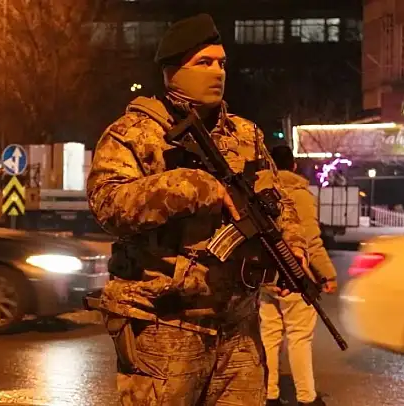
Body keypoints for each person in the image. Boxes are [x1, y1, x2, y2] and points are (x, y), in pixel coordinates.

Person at [86, 13, 307, 405]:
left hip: (238, 327)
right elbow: (108, 204)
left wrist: (293, 246)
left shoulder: (246, 134)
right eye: (203, 62)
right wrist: (194, 187)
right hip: (164, 324)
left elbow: (277, 200)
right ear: (172, 71)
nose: (217, 72)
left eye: (222, 63)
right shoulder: (134, 133)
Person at [259, 145, 338, 406]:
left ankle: (269, 394)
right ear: (293, 165)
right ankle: (306, 398)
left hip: (267, 276)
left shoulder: (258, 189)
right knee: (299, 337)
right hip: (295, 276)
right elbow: (311, 241)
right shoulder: (299, 195)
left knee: (269, 336)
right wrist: (327, 275)